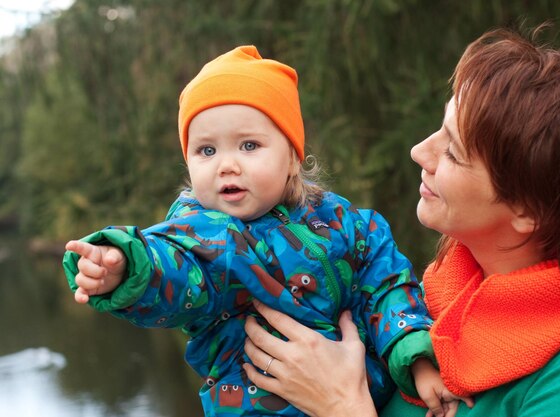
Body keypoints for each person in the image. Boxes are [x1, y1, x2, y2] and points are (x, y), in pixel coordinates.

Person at [242, 27, 560, 417]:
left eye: (454, 153)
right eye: (440, 128)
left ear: (530, 211)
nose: (419, 151)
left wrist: (342, 405)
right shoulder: (430, 300)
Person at [62, 45, 440, 417]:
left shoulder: (345, 221)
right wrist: (127, 265)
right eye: (206, 151)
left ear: (292, 156)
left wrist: (414, 355)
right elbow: (175, 266)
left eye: (248, 145)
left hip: (364, 395)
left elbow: (386, 280)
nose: (226, 165)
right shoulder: (208, 235)